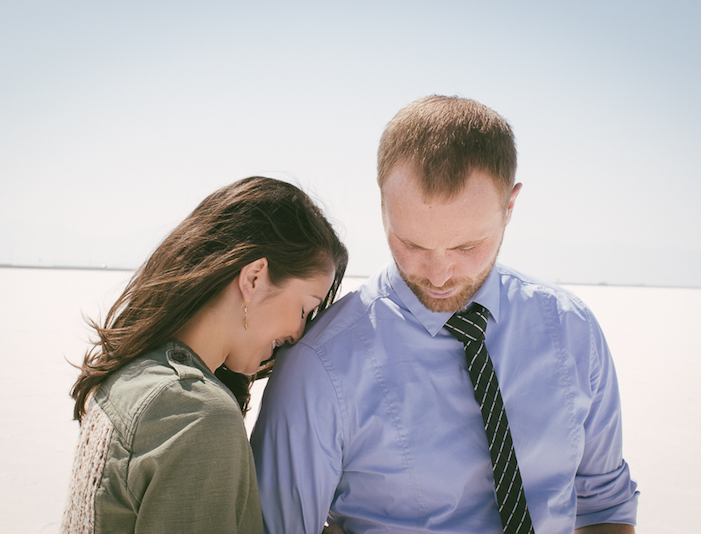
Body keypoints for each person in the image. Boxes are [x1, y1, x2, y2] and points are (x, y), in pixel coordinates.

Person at [251, 96, 639, 533]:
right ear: (382, 205)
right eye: (412, 244)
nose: (438, 276)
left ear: (510, 207)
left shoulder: (571, 329)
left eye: (466, 247)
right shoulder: (319, 366)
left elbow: (604, 509)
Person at [61, 176, 348, 534]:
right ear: (254, 278)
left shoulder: (132, 377)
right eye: (305, 309)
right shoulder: (195, 414)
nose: (297, 334)